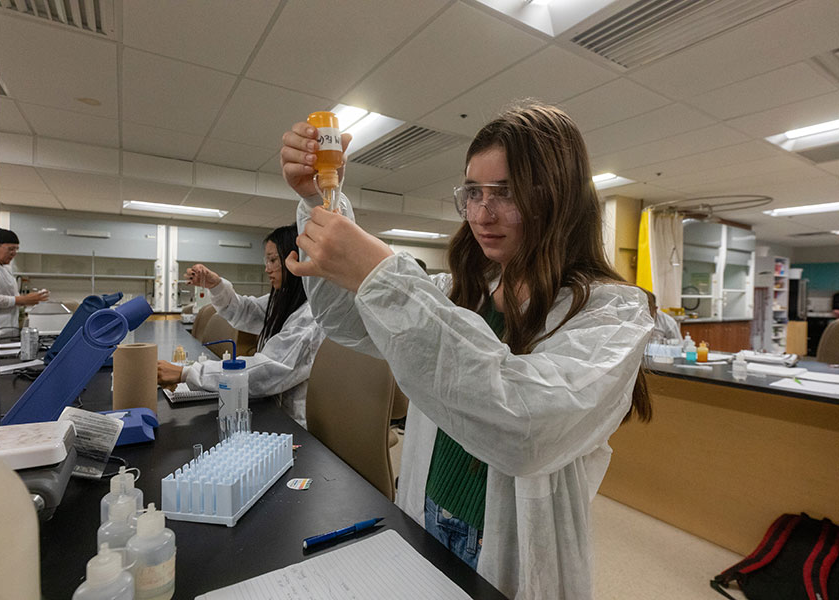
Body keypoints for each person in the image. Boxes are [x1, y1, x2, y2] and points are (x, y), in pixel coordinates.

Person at [280, 101, 655, 599]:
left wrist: (384, 273)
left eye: (506, 193)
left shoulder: (612, 313)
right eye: (473, 192)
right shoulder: (459, 292)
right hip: (427, 511)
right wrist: (318, 201)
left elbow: (525, 425)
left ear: (559, 198)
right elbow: (346, 320)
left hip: (511, 546)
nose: (483, 213)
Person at [157, 225, 325, 428]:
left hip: (293, 426)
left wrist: (187, 373)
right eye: (267, 260)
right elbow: (246, 311)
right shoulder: (284, 299)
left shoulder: (310, 316)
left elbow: (268, 370)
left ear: (296, 260)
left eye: (273, 260)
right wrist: (215, 285)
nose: (267, 268)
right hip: (270, 409)